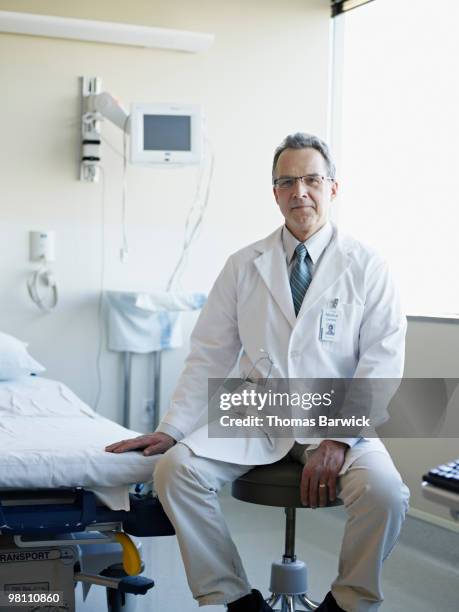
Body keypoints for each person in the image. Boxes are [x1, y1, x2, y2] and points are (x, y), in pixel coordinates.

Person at [106, 133, 410, 612]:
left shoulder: (368, 266)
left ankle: (348, 602)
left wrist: (338, 439)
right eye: (287, 182)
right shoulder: (243, 265)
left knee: (387, 493)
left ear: (333, 188)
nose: (300, 192)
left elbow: (382, 361)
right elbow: (209, 352)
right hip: (256, 409)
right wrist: (172, 429)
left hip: (337, 416)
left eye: (312, 179)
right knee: (175, 470)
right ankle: (235, 598)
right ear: (275, 193)